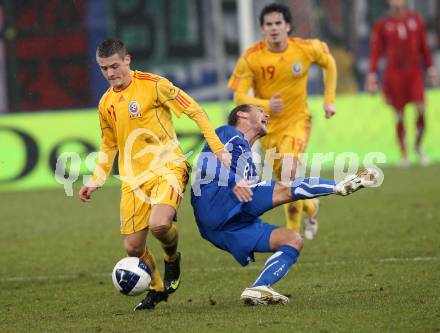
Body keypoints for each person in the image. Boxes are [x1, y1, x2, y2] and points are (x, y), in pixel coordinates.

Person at [78, 38, 230, 311]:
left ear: (127, 60)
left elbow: (194, 110)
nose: (110, 73)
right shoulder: (105, 104)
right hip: (132, 179)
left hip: (168, 167)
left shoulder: (155, 85)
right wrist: (97, 178)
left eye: (114, 66)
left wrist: (218, 148)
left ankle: (172, 259)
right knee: (133, 248)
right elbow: (109, 144)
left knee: (159, 224)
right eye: (103, 68)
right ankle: (156, 287)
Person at [191, 104, 379, 305]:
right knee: (285, 188)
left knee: (293, 239)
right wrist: (233, 180)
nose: (266, 114)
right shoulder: (227, 132)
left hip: (225, 227)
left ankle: (260, 287)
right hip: (215, 202)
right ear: (242, 114)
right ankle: (339, 186)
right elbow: (203, 163)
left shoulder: (250, 165)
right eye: (259, 109)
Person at [228, 3, 337, 240]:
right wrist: (266, 105)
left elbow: (329, 62)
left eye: (278, 23)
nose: (274, 28)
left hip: (297, 121)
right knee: (286, 183)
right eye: (269, 24)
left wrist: (329, 100)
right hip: (267, 128)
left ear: (288, 26)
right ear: (262, 29)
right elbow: (239, 96)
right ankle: (311, 206)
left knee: (288, 173)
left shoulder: (305, 49)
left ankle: (291, 237)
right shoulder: (251, 57)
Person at [366, 0, 438, 166]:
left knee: (421, 108)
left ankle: (418, 147)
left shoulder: (416, 20)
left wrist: (431, 69)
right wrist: (372, 76)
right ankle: (404, 154)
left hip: (414, 72)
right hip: (394, 74)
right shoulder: (382, 25)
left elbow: (424, 48)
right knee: (399, 114)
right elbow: (376, 52)